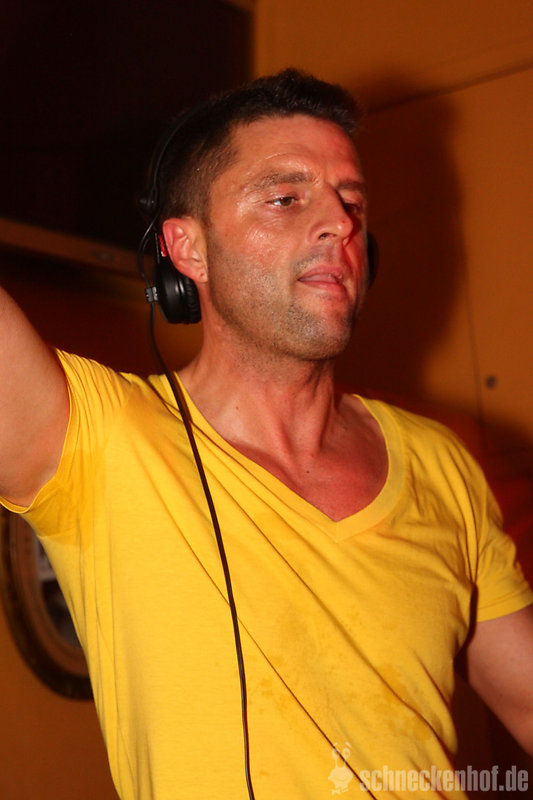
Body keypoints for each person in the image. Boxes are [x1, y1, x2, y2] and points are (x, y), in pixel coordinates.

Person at [0, 69, 532, 800]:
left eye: (352, 202)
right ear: (186, 251)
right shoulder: (98, 437)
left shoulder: (438, 460)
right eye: (286, 198)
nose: (341, 224)